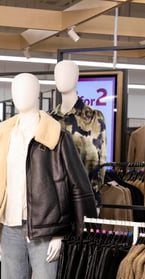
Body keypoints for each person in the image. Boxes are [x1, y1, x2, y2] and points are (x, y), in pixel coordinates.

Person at [0, 73, 97, 279]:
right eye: (15, 89)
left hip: (45, 229)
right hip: (10, 225)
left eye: (27, 89)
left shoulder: (56, 136)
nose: (20, 94)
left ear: (38, 93)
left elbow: (77, 185)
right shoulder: (3, 136)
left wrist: (62, 232)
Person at [49, 60, 107, 197]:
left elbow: (97, 162)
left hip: (82, 197)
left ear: (76, 77)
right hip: (53, 199)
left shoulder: (93, 117)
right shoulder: (48, 119)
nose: (61, 78)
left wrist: (94, 198)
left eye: (67, 74)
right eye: (57, 74)